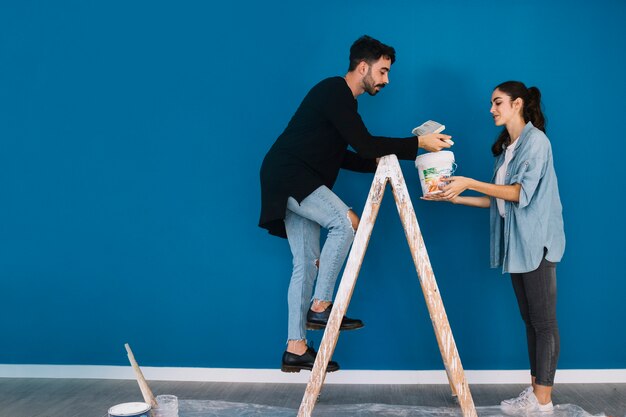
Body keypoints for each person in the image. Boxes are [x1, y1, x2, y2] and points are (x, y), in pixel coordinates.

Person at [258, 35, 452, 373]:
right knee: (345, 222)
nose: (386, 80)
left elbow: (346, 155)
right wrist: (418, 143)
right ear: (363, 67)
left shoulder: (341, 101)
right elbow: (364, 144)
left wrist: (380, 162)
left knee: (305, 262)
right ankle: (320, 306)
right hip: (292, 176)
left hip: (286, 176)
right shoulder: (336, 92)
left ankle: (295, 347)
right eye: (382, 71)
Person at [424, 81, 565, 412]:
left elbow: (519, 193)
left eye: (497, 102)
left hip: (537, 243)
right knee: (530, 321)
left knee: (544, 323)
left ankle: (543, 401)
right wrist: (457, 198)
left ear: (517, 104)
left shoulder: (536, 142)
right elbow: (498, 202)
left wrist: (469, 181)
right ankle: (536, 393)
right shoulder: (509, 149)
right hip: (517, 244)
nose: (491, 109)